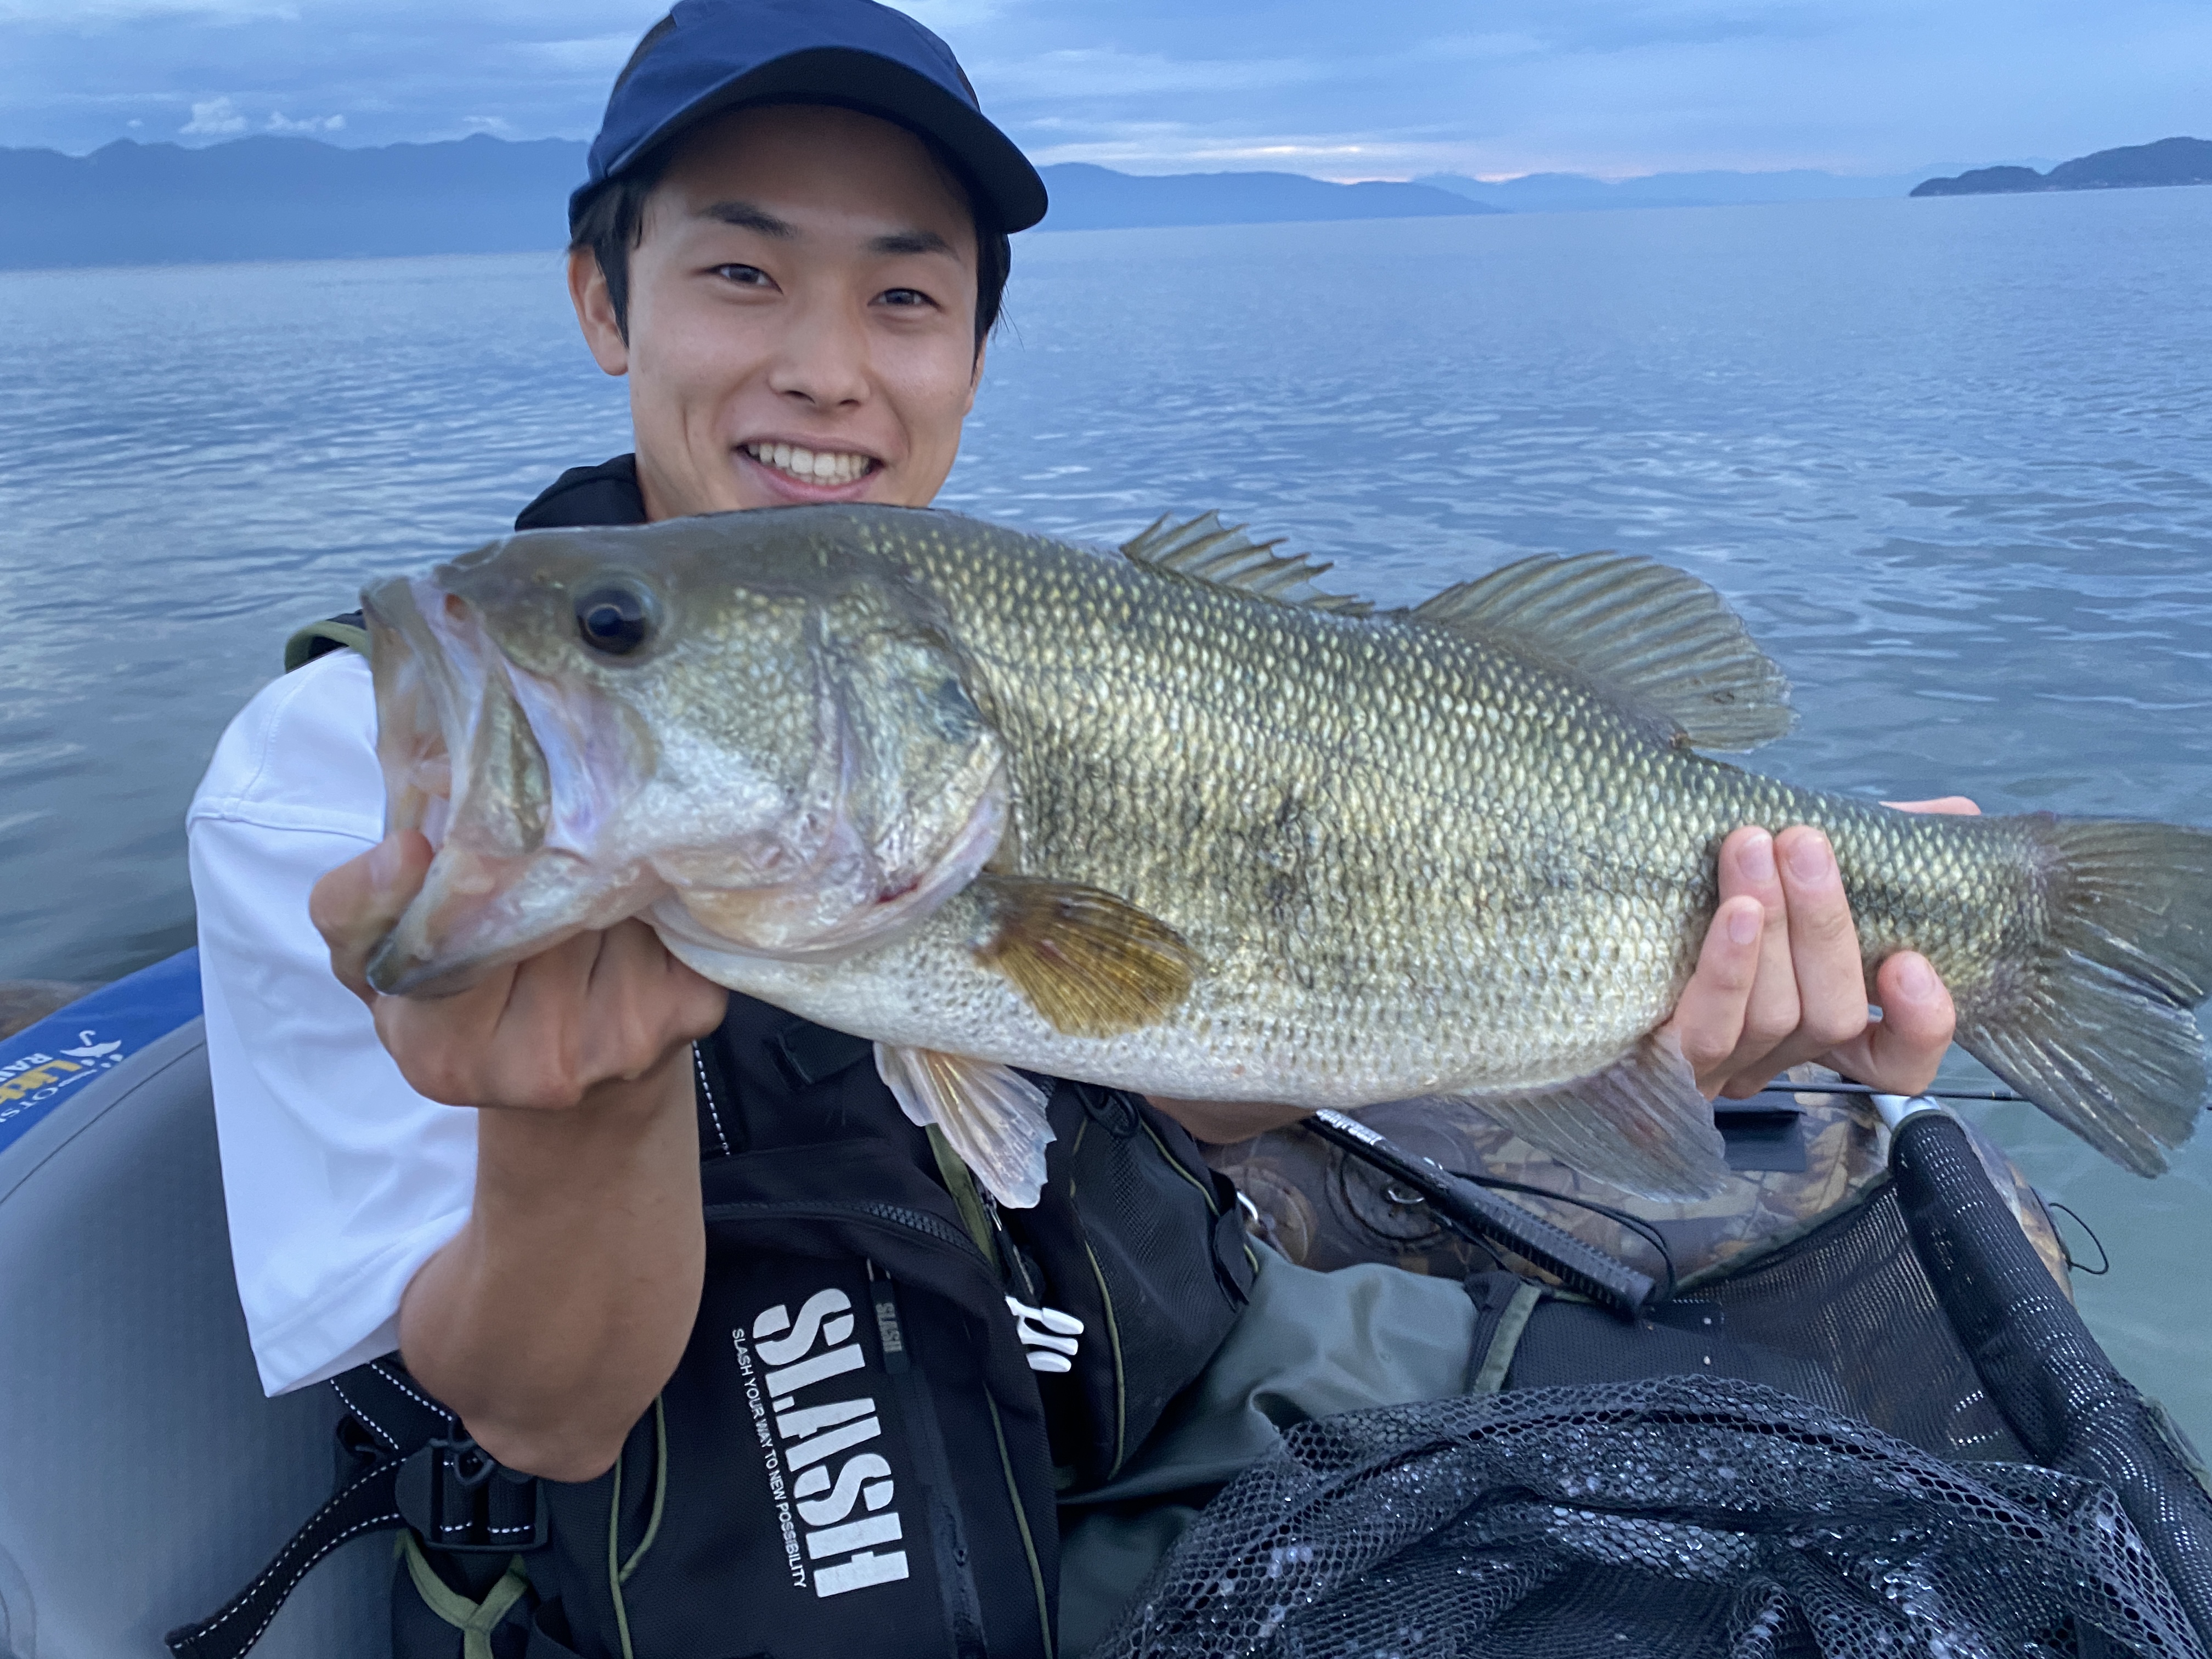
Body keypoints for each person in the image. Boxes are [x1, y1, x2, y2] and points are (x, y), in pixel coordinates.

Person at [185, 3, 1972, 1653]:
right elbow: (543, 1413)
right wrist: (588, 1114)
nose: (825, 367)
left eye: (906, 299)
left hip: (1145, 1401)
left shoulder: (977, 653)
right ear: (602, 295)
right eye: (740, 269)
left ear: (973, 349)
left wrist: (1635, 999)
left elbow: (1168, 1066)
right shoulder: (345, 785)